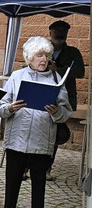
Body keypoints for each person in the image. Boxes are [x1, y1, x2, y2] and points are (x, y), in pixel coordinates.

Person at [0, 36, 72, 208]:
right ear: (29, 58)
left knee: (39, 180)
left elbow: (66, 112)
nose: (44, 59)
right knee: (12, 179)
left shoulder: (56, 79)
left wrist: (56, 112)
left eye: (47, 55)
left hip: (42, 139)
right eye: (39, 55)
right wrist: (10, 108)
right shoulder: (16, 76)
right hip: (17, 140)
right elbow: (0, 106)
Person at [45, 20, 85, 180]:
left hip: (63, 98)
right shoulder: (43, 49)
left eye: (63, 30)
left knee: (54, 135)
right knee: (39, 132)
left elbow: (80, 71)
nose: (60, 33)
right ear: (50, 32)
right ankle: (27, 168)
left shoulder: (73, 52)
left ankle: (46, 169)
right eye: (57, 30)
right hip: (44, 95)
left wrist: (58, 69)